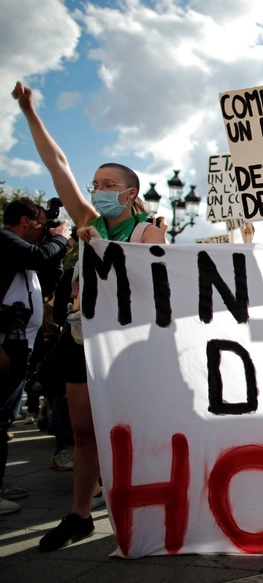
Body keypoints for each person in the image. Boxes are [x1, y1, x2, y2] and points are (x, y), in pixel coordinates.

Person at [13, 81, 166, 551]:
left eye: (108, 186)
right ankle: (80, 512)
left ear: (130, 193)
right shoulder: (86, 219)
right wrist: (29, 111)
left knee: (130, 427)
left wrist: (104, 249)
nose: (97, 191)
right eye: (95, 184)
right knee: (83, 430)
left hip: (128, 344)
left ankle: (144, 506)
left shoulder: (146, 232)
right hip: (83, 340)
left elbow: (157, 290)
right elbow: (56, 163)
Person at [0, 199, 70, 515]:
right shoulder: (4, 240)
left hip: (19, 346)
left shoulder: (25, 258)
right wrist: (59, 238)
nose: (45, 230)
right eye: (41, 224)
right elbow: (39, 256)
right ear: (26, 221)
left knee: (3, 420)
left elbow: (49, 274)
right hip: (4, 345)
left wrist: (57, 249)